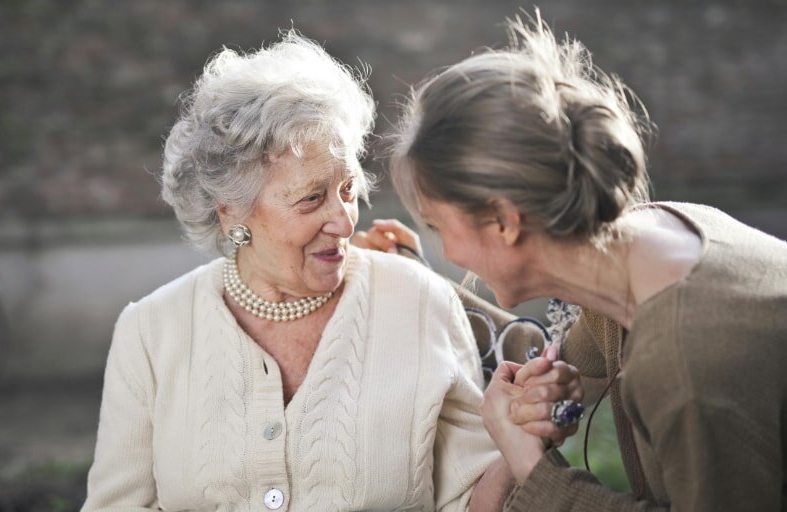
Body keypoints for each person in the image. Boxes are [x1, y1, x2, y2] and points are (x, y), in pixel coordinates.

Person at [81, 32, 580, 512]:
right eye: (311, 198)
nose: (343, 221)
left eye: (347, 189)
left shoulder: (418, 300)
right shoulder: (149, 331)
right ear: (230, 211)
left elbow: (470, 501)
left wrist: (520, 438)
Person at [369, 12, 787, 511]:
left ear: (504, 221)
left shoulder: (685, 364)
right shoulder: (649, 242)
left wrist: (533, 469)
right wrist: (413, 279)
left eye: (438, 227)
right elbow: (563, 368)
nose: (449, 253)